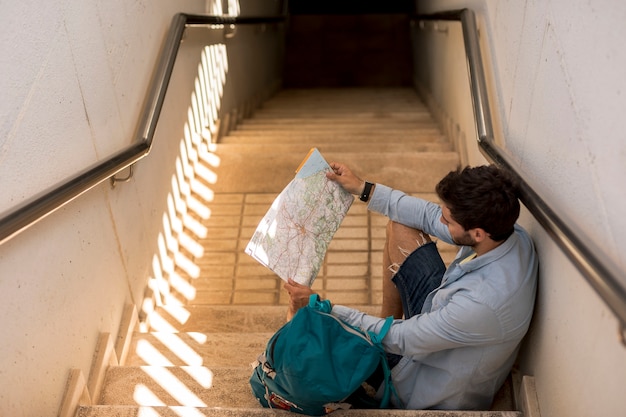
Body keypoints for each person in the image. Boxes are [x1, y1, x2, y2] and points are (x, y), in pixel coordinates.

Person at [284, 162, 538, 410]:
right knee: (401, 225)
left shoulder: (481, 304)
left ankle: (376, 355)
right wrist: (362, 187)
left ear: (477, 233)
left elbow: (401, 338)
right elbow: (427, 215)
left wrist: (324, 307)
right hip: (442, 320)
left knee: (314, 334)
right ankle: (386, 320)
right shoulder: (509, 234)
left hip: (423, 381)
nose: (440, 220)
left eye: (448, 220)